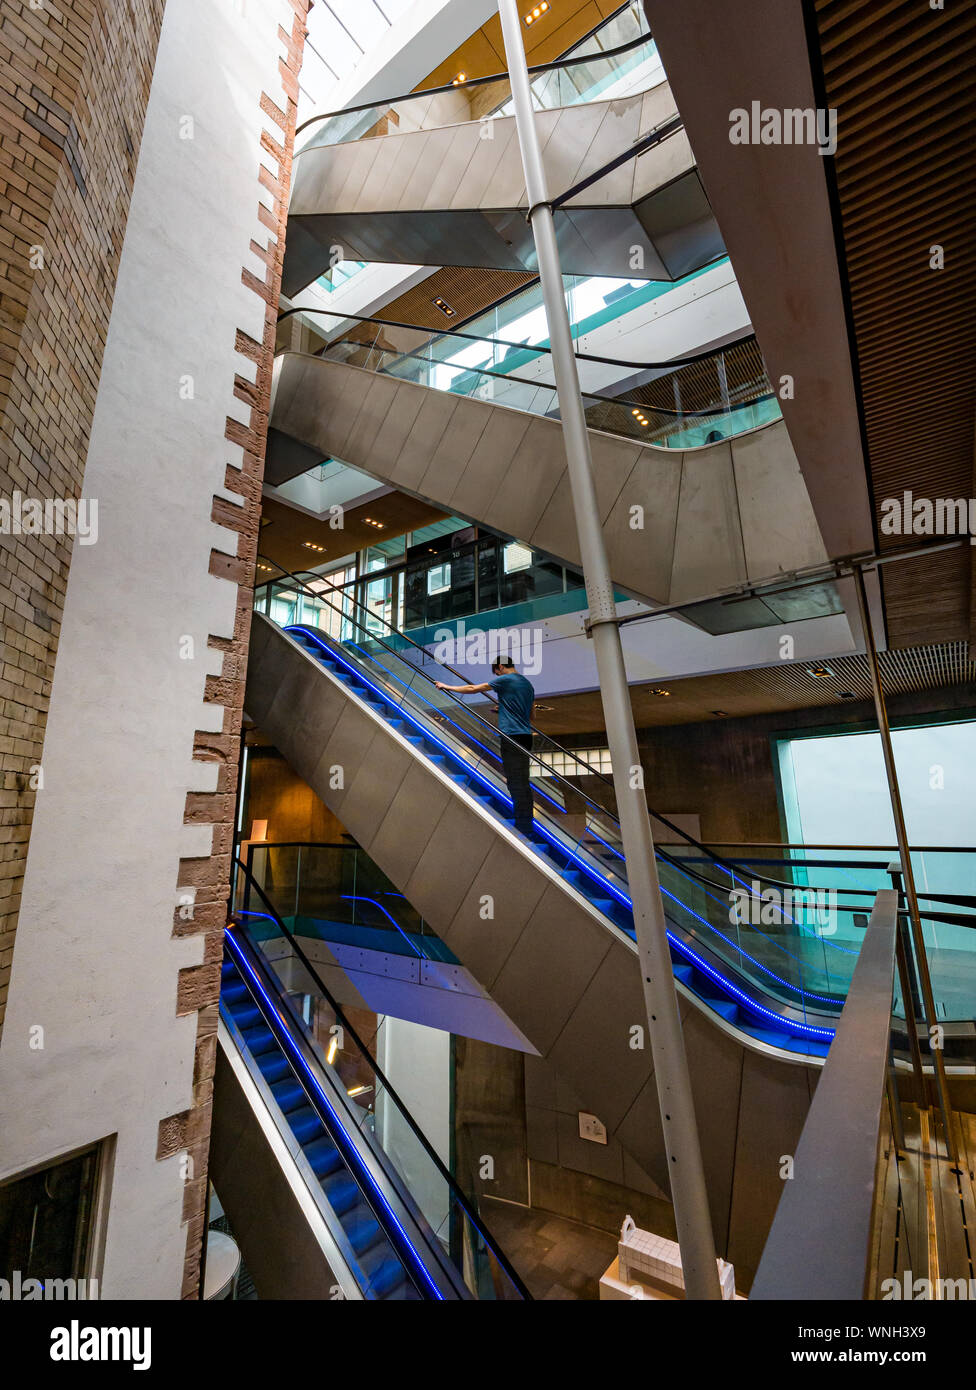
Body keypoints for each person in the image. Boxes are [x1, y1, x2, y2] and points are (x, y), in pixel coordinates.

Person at [435, 656, 536, 835]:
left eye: (496, 672)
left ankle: (523, 826)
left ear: (500, 667)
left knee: (515, 781)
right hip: (526, 736)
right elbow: (532, 714)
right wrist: (505, 708)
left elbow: (474, 688)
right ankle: (527, 822)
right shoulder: (527, 684)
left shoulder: (506, 679)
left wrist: (447, 686)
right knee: (522, 779)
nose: (497, 676)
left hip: (512, 736)